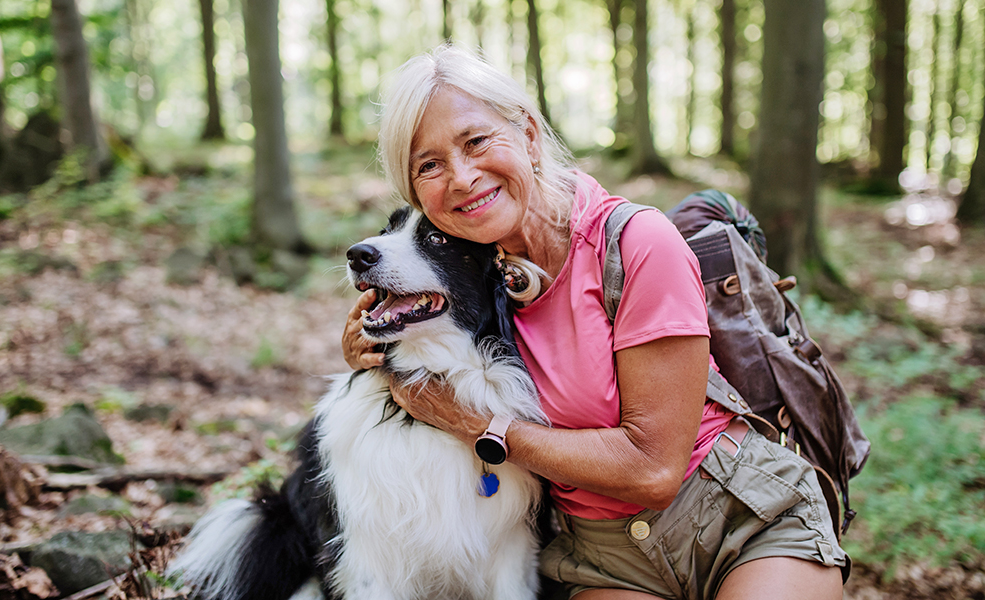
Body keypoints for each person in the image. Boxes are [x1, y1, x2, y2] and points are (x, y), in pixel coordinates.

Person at [341, 44, 848, 600]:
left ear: (529, 137)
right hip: (603, 555)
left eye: (476, 141)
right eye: (429, 165)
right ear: (415, 193)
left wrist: (481, 427)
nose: (461, 177)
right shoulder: (461, 274)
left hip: (739, 517)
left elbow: (654, 472)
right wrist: (368, 347)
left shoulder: (636, 244)